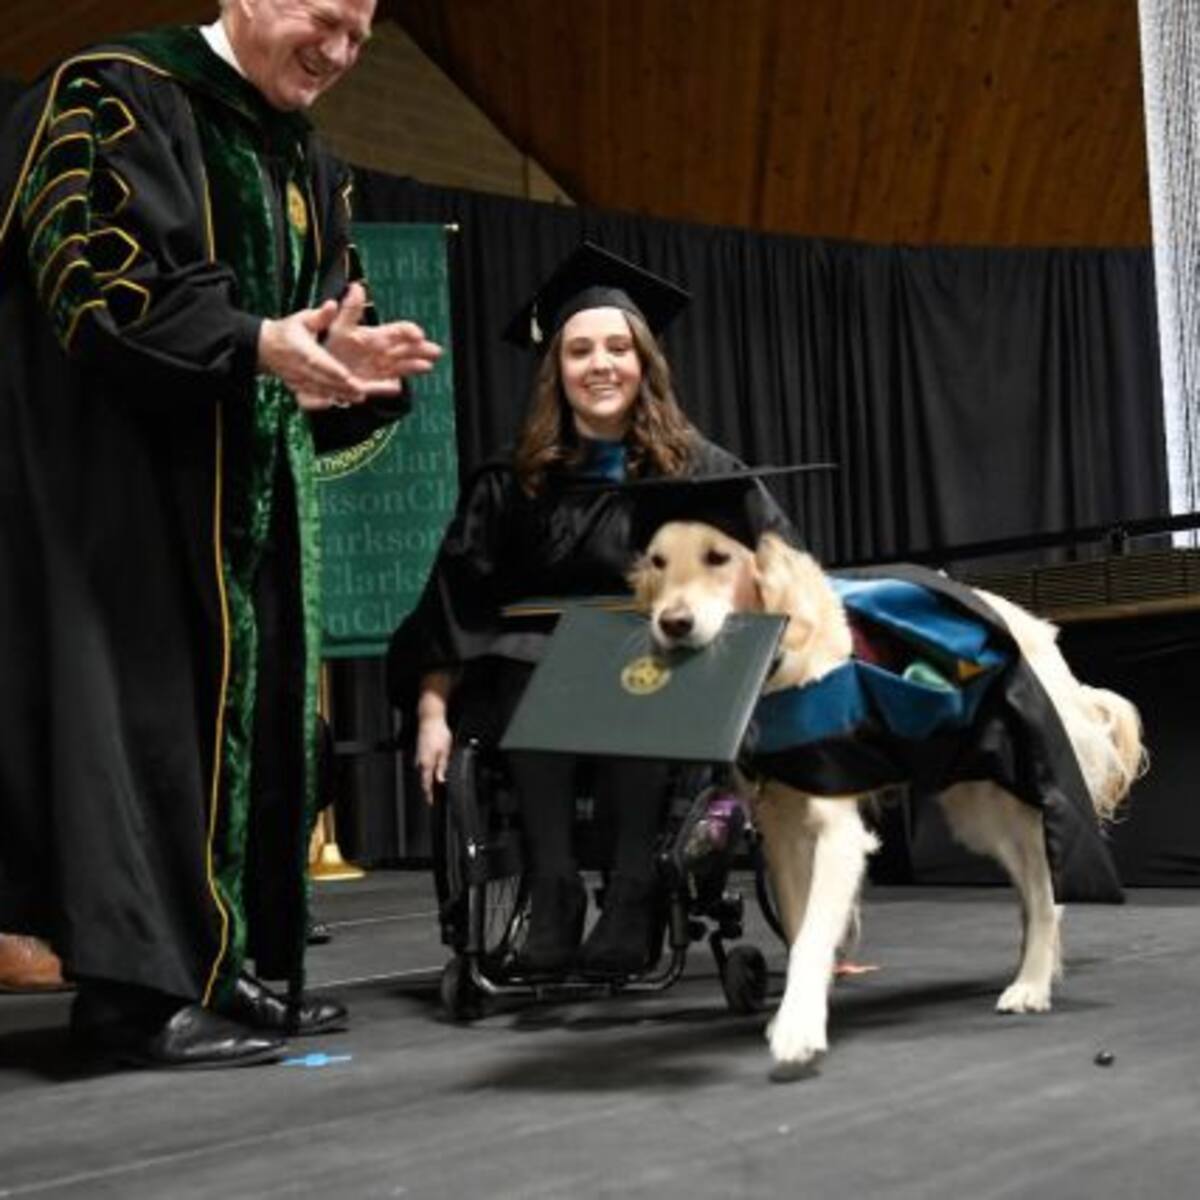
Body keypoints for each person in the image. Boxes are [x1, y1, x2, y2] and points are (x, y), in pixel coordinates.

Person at [0, 0, 442, 1068]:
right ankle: (135, 997)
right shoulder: (112, 94)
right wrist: (254, 341)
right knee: (138, 720)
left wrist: (348, 362)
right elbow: (95, 287)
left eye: (359, 38)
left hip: (243, 504)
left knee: (243, 723)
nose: (339, 55)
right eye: (323, 22)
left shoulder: (307, 160)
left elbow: (315, 324)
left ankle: (218, 964)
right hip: (116, 495)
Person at [389, 242, 794, 976]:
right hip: (527, 682)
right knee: (531, 665)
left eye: (617, 348)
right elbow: (452, 604)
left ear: (644, 363)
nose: (600, 364)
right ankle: (555, 893)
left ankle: (635, 891)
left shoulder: (698, 473)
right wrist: (430, 715)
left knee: (635, 664)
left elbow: (780, 569)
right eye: (579, 350)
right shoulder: (511, 484)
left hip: (660, 678)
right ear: (558, 370)